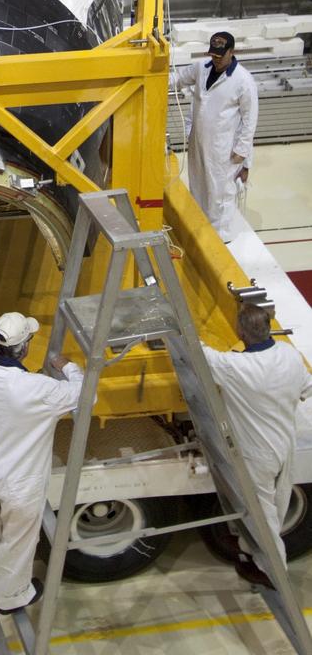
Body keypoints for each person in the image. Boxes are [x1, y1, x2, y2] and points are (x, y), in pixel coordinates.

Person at [0, 312, 85, 613]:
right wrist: (69, 367)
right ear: (24, 347)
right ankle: (13, 597)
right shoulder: (36, 389)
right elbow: (84, 395)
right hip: (20, 484)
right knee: (18, 542)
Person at [202, 303, 312, 586]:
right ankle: (247, 544)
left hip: (257, 453)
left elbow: (198, 352)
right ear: (269, 326)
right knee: (276, 503)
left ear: (240, 331)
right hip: (285, 443)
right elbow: (306, 388)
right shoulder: (289, 354)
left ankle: (272, 571)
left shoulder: (234, 366)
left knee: (262, 513)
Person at [170, 31, 258, 241]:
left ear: (231, 52)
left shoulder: (243, 81)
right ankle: (200, 230)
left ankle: (221, 238)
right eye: (213, 55)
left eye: (220, 55)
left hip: (224, 149)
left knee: (220, 193)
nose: (216, 60)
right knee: (199, 186)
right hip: (198, 142)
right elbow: (178, 79)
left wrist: (243, 154)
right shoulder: (202, 68)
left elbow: (250, 120)